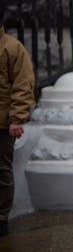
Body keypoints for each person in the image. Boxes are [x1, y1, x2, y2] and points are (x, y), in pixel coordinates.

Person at [0, 20, 35, 237]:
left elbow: (23, 84)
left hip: (3, 123)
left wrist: (17, 118)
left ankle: (1, 216)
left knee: (2, 171)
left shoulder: (11, 47)